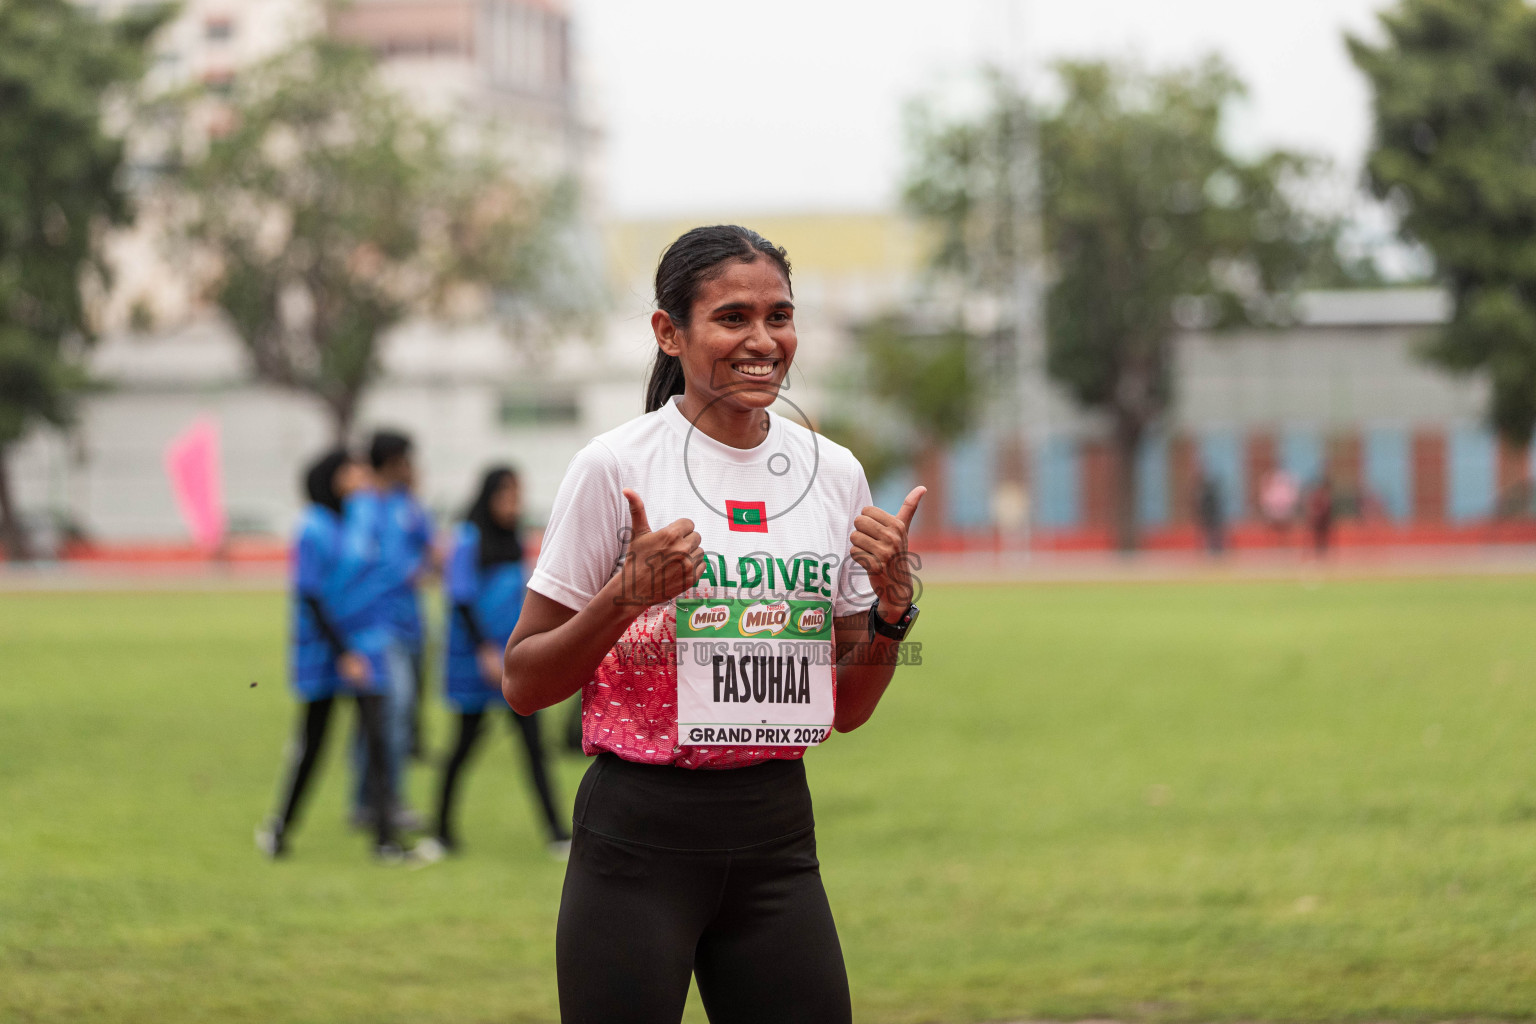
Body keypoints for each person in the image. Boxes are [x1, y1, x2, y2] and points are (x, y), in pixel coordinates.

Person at [501, 225, 926, 1023]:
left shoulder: (833, 475)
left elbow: (847, 711)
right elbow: (524, 681)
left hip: (776, 840)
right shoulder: (618, 467)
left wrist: (895, 612)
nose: (763, 340)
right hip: (637, 842)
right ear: (670, 331)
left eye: (780, 315)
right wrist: (626, 595)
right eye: (732, 318)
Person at [257, 450, 409, 861]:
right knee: (314, 744)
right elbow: (310, 595)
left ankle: (385, 839)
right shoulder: (312, 528)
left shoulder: (360, 516)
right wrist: (343, 653)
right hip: (326, 649)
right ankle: (279, 828)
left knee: (377, 740)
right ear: (333, 476)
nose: (361, 474)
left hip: (366, 644)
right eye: (353, 468)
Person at [424, 466, 570, 857]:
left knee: (533, 747)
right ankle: (439, 832)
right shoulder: (468, 539)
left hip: (515, 661)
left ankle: (557, 833)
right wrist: (485, 651)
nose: (514, 503)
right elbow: (461, 598)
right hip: (477, 663)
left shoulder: (515, 540)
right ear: (489, 496)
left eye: (517, 495)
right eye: (507, 495)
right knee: (462, 747)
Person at [347, 431, 432, 833]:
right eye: (407, 460)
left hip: (411, 624)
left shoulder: (406, 505)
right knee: (392, 710)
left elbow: (433, 550)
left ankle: (369, 802)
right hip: (373, 628)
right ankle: (385, 801)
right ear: (395, 460)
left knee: (388, 715)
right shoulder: (361, 507)